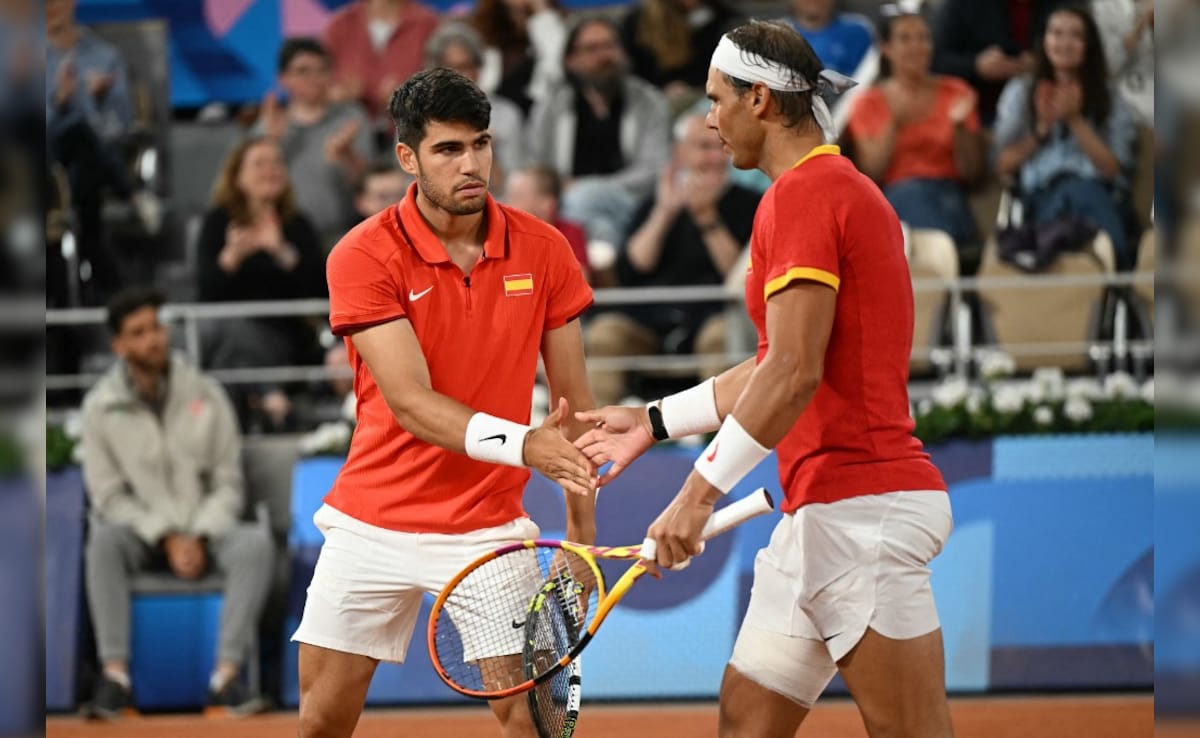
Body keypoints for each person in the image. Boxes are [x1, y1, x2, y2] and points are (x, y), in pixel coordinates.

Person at [576, 20, 955, 738]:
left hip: (862, 511)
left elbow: (791, 373)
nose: (707, 118)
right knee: (747, 721)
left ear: (758, 99)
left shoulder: (806, 194)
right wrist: (655, 421)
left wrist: (696, 495)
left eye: (716, 99)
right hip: (817, 511)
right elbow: (774, 363)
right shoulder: (822, 191)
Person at [293, 68, 599, 738]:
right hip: (371, 519)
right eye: (448, 149)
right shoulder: (363, 255)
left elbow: (575, 408)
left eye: (481, 144)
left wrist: (581, 535)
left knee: (531, 721)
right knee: (320, 723)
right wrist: (525, 445)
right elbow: (411, 403)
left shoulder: (545, 250)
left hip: (486, 526)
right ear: (408, 156)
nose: (471, 164)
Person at [80, 286, 274, 719]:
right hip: (142, 532)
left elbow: (228, 483)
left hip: (206, 527)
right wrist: (165, 535)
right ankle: (116, 679)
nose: (154, 339)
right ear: (119, 345)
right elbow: (108, 496)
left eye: (157, 327)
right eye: (139, 332)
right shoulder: (98, 409)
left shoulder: (207, 393)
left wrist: (199, 533)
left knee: (254, 545)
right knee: (103, 543)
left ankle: (225, 681)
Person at [584, 110, 760, 407]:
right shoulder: (656, 202)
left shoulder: (751, 204)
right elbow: (632, 268)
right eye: (703, 147)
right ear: (680, 153)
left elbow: (738, 274)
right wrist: (664, 213)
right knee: (605, 333)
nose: (714, 157)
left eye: (720, 146)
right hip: (652, 321)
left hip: (714, 318)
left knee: (720, 337)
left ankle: (716, 439)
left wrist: (707, 217)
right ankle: (592, 434)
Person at [195, 136, 328, 431]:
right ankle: (270, 398)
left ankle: (257, 406)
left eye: (276, 163)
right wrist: (231, 257)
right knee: (227, 344)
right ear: (237, 176)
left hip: (279, 336)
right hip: (228, 337)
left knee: (224, 341)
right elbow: (205, 291)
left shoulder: (297, 224)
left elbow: (319, 295)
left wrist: (283, 253)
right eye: (259, 164)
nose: (270, 170)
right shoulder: (218, 222)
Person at [993, 4, 1138, 268]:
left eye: (1076, 35)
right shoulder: (1020, 92)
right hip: (1040, 198)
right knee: (1063, 201)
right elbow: (1002, 164)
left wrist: (1075, 121)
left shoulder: (1112, 98)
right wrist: (1041, 130)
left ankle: (1114, 278)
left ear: (1089, 44)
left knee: (1080, 193)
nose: (1064, 43)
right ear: (1044, 41)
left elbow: (1114, 170)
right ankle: (1120, 284)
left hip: (1096, 193)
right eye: (1056, 33)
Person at [847, 9, 984, 267]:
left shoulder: (957, 92)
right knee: (917, 199)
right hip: (897, 196)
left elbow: (974, 174)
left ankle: (949, 265)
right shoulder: (869, 102)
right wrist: (894, 122)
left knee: (946, 207)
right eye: (906, 39)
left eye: (923, 38)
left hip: (950, 193)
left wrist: (960, 129)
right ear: (886, 48)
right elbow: (872, 172)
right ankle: (950, 264)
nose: (917, 47)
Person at [525, 15, 672, 247]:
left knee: (583, 201)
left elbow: (653, 168)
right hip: (565, 207)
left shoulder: (649, 101)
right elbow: (537, 165)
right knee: (600, 228)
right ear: (571, 60)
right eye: (592, 49)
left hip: (631, 202)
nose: (604, 56)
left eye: (610, 45)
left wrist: (589, 189)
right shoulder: (551, 108)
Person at [255, 38, 374, 251]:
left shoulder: (351, 118)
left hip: (346, 234)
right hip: (284, 238)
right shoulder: (269, 127)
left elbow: (372, 185)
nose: (314, 79)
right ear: (283, 78)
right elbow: (248, 186)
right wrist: (271, 142)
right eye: (303, 71)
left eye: (322, 70)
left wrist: (347, 155)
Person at [932, 0, 1069, 124]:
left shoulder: (1063, 5)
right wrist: (976, 65)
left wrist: (1044, 63)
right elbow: (935, 60)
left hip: (1050, 109)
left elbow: (1084, 54)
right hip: (980, 111)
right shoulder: (962, 5)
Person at [321, 0, 440, 124]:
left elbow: (443, 88)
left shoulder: (428, 25)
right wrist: (339, 94)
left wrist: (408, 97)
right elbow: (317, 92)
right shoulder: (340, 25)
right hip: (349, 131)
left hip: (410, 131)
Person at [504, 164, 592, 282]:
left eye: (518, 196)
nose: (506, 204)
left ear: (547, 204)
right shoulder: (501, 237)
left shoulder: (569, 234)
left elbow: (580, 285)